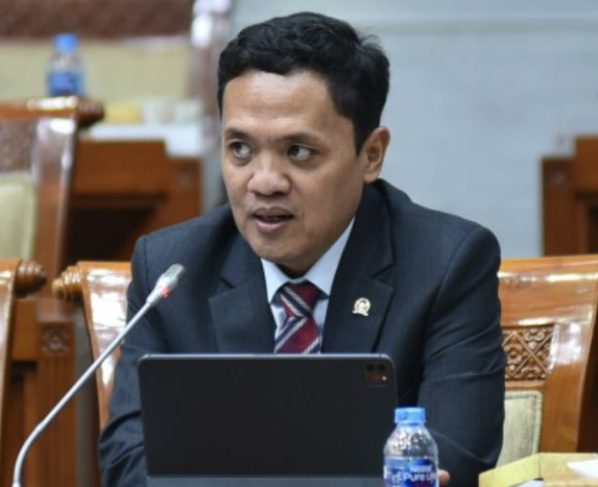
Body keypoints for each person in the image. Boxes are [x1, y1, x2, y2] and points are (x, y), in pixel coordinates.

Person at [99, 11, 505, 486]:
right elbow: (130, 461)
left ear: (371, 154)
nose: (264, 182)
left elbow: (453, 455)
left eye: (298, 152)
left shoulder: (446, 264)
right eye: (240, 149)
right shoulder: (172, 270)